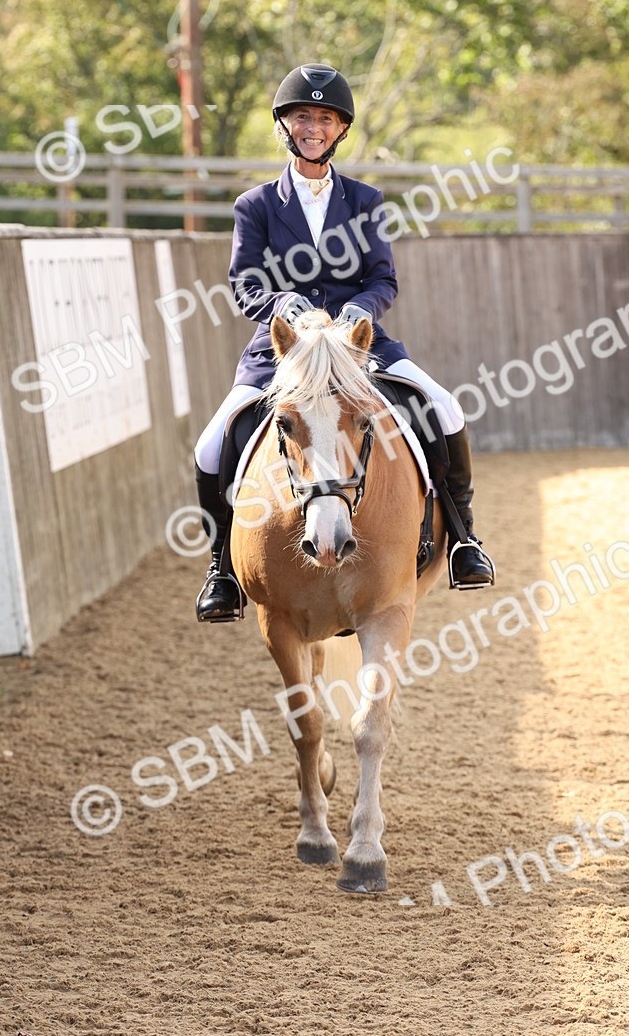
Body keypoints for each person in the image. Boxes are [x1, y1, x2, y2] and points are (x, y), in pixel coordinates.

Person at [194, 62, 495, 622]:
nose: (313, 127)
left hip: (359, 347)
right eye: (303, 117)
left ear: (340, 129)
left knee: (445, 410)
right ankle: (221, 569)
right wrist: (281, 305)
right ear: (285, 125)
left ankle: (463, 539)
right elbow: (245, 282)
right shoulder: (255, 206)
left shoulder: (364, 199)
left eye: (324, 118)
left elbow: (384, 278)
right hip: (283, 353)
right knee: (212, 444)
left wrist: (361, 309)